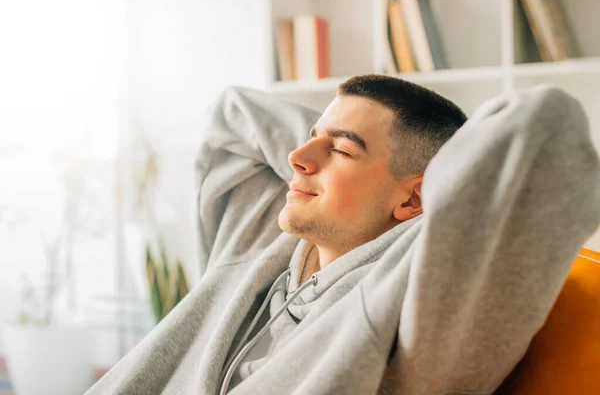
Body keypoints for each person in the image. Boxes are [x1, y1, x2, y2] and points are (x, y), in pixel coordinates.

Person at [86, 75, 600, 395]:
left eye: (343, 152)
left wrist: (430, 186)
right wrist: (343, 138)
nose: (296, 158)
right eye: (310, 140)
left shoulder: (417, 300)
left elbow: (544, 127)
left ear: (415, 199)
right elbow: (232, 113)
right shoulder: (261, 241)